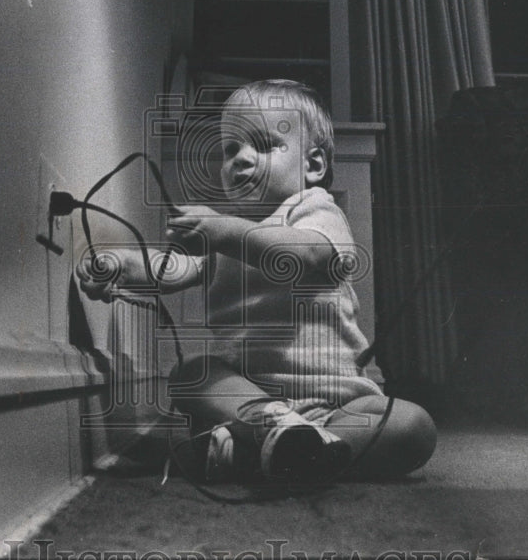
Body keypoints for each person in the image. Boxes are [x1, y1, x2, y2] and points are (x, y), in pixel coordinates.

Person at [77, 80, 435, 484]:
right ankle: (279, 441)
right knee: (192, 373)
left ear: (313, 166)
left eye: (263, 146)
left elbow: (306, 254)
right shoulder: (224, 241)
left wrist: (225, 230)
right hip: (248, 403)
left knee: (412, 425)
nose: (240, 159)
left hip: (338, 405)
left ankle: (281, 451)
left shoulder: (314, 210)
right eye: (230, 150)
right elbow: (172, 269)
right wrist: (119, 266)